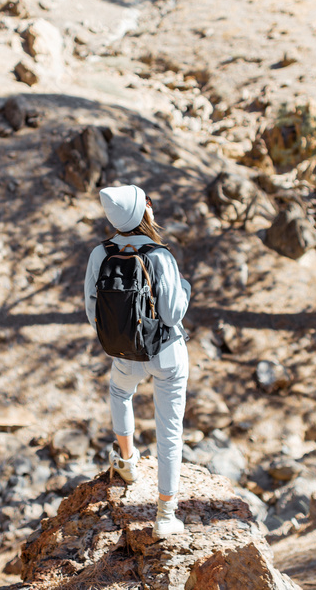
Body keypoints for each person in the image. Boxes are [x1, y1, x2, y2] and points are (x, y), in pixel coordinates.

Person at [84, 184, 192, 538]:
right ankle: (165, 513)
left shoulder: (100, 254)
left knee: (119, 393)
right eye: (149, 201)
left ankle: (128, 462)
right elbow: (172, 313)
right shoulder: (160, 256)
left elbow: (92, 311)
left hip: (126, 352)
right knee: (169, 429)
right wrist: (186, 288)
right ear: (145, 209)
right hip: (166, 352)